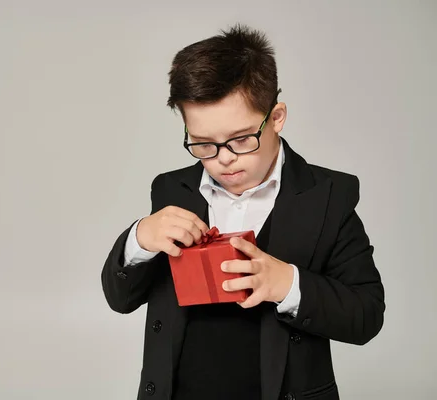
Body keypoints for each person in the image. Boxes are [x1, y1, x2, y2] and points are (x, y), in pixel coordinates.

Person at [100, 24, 385, 400]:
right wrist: (139, 239)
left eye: (240, 139)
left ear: (277, 117)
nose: (224, 159)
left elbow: (366, 315)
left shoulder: (329, 196)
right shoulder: (170, 189)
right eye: (203, 144)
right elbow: (121, 299)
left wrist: (287, 284)